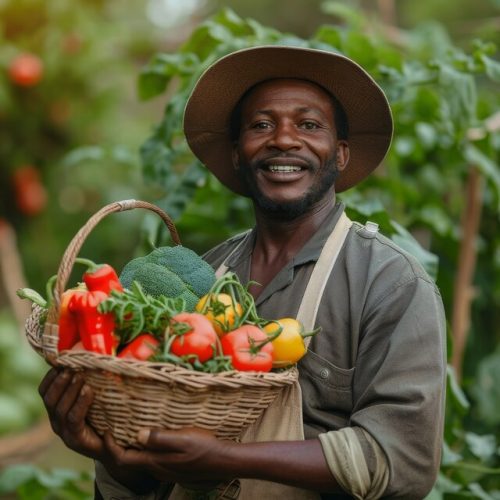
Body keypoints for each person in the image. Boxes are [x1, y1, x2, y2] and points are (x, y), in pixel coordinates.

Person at [38, 46, 447, 499]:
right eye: (261, 125)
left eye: (309, 125)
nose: (284, 140)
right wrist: (109, 451)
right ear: (237, 153)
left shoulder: (388, 281)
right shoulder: (209, 272)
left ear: (341, 153)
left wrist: (224, 460)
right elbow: (154, 462)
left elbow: (402, 461)